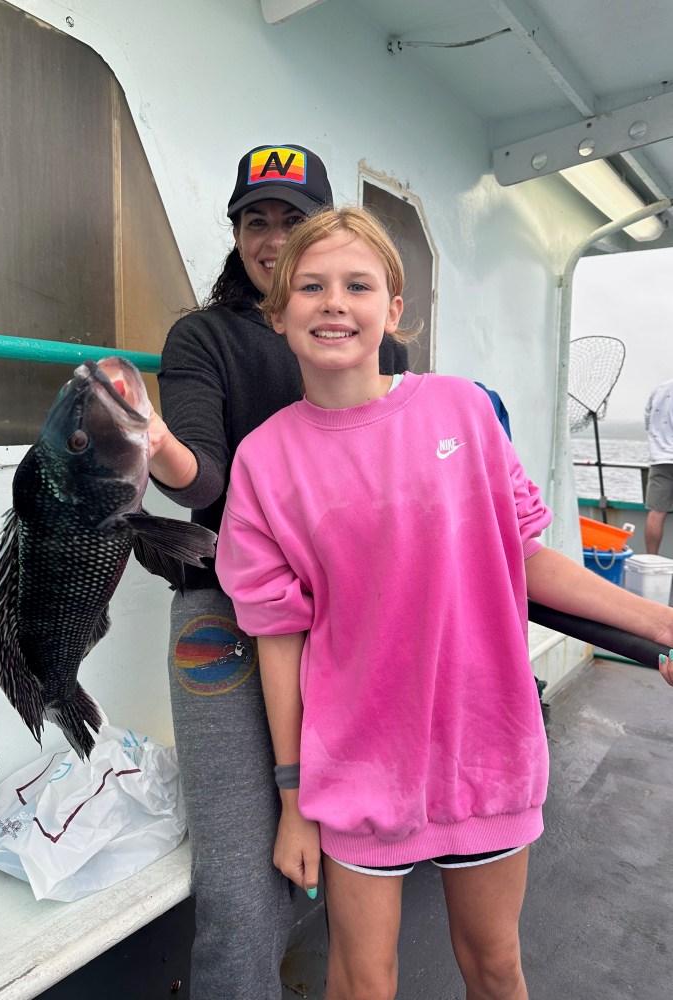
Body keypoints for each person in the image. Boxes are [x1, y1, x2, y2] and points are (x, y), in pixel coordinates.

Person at [214, 207, 673, 1000]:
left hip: (484, 751)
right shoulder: (263, 461)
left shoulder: (461, 409)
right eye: (312, 287)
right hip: (358, 771)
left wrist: (663, 623)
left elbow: (525, 556)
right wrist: (294, 802)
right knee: (362, 984)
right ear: (279, 313)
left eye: (358, 285)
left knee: (495, 968)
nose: (334, 303)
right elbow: (278, 636)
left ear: (393, 310)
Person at [147, 147, 408, 1000]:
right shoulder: (201, 337)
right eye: (255, 220)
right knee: (235, 878)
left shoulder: (374, 350)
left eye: (292, 219)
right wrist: (157, 453)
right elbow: (210, 480)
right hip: (221, 610)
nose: (272, 237)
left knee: (357, 846)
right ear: (236, 234)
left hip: (345, 615)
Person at [644, 377, 673, 554]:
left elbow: (648, 421)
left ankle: (651, 560)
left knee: (656, 512)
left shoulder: (660, 389)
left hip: (660, 458)